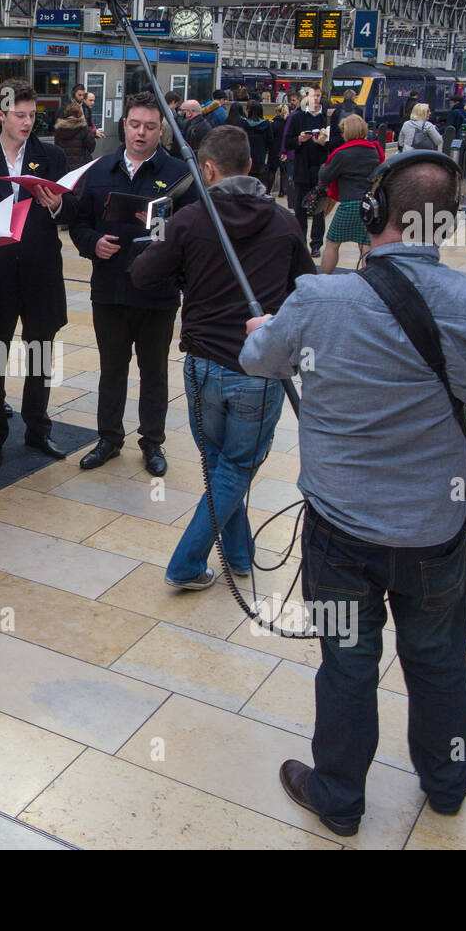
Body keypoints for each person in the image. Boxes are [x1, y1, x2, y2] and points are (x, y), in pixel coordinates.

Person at [239, 149, 466, 838]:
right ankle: (447, 783)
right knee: (438, 659)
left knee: (347, 662)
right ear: (446, 221)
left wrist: (267, 331)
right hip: (436, 533)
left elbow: (258, 360)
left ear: (372, 213)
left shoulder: (319, 299)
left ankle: (339, 797)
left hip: (339, 534)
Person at [130, 125, 314, 587]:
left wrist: (159, 233)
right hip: (259, 368)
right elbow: (306, 291)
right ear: (251, 167)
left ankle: (236, 552)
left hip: (203, 366)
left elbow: (142, 274)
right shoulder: (285, 221)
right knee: (231, 468)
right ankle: (193, 563)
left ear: (207, 170)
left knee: (222, 466)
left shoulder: (190, 220)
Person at [70, 91, 190, 478]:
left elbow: (188, 233)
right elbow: (79, 223)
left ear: (161, 130)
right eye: (135, 125)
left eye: (150, 127)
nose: (141, 133)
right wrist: (93, 244)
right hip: (109, 289)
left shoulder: (178, 174)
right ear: (124, 125)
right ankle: (108, 438)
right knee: (112, 369)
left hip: (157, 292)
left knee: (154, 370)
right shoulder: (100, 170)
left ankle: (152, 441)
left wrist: (159, 232)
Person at [0, 78, 73, 469]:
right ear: (1, 115)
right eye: (19, 115)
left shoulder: (51, 156)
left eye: (32, 115)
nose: (27, 123)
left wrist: (57, 207)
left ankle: (37, 428)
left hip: (41, 272)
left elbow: (70, 212)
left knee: (40, 355)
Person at [316, 114, 383, 275]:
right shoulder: (373, 151)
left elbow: (325, 177)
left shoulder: (342, 153)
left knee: (332, 243)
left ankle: (323, 278)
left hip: (348, 205)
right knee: (365, 245)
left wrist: (322, 167)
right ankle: (369, 279)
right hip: (367, 205)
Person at [283, 87, 329, 257]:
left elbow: (337, 141)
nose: (316, 99)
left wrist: (325, 143)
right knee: (300, 207)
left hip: (320, 167)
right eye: (313, 96)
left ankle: (316, 244)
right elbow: (287, 141)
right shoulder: (298, 118)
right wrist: (299, 140)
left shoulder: (328, 117)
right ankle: (301, 241)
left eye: (318, 95)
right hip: (302, 167)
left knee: (319, 208)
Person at [52, 101, 93, 170]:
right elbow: (91, 147)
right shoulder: (84, 129)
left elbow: (57, 148)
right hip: (80, 167)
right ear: (79, 114)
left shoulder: (59, 129)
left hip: (63, 166)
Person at [242, 101, 271, 182]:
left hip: (247, 156)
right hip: (261, 156)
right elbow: (270, 141)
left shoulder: (244, 124)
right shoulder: (266, 124)